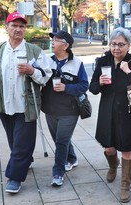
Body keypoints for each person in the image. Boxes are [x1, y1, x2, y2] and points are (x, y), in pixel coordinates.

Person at [0, 12, 52, 194]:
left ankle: (14, 177)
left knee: (22, 142)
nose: (18, 29)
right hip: (4, 104)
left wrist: (32, 71)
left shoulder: (34, 51)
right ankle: (25, 160)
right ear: (6, 28)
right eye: (14, 25)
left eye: (22, 26)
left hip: (26, 105)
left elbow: (46, 76)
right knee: (14, 140)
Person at [89, 27, 131, 202]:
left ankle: (125, 185)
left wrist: (128, 72)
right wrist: (99, 83)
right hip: (107, 111)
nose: (116, 48)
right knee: (109, 147)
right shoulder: (103, 62)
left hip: (128, 113)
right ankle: (113, 165)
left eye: (121, 44)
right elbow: (92, 88)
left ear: (129, 45)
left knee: (126, 150)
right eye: (113, 44)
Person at [41, 31, 89, 187]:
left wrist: (66, 87)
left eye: (56, 40)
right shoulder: (46, 60)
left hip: (70, 110)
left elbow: (84, 86)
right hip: (50, 109)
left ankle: (58, 173)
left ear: (66, 45)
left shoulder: (77, 63)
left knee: (61, 141)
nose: (52, 42)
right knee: (60, 139)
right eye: (52, 40)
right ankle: (72, 158)